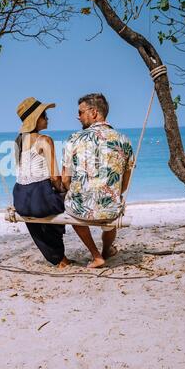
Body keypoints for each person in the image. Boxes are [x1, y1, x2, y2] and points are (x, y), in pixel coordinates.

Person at [62, 93, 134, 268]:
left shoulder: (73, 139)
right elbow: (125, 183)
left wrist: (75, 191)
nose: (77, 116)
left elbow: (65, 179)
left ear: (93, 112)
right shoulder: (124, 140)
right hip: (110, 209)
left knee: (71, 207)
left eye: (80, 112)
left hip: (80, 210)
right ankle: (107, 250)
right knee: (113, 205)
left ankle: (96, 255)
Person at [13, 97, 71, 268]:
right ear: (36, 119)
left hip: (20, 199)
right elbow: (54, 177)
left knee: (38, 216)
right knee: (65, 201)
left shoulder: (18, 142)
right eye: (44, 115)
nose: (47, 118)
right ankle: (60, 258)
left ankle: (59, 258)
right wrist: (64, 190)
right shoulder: (44, 140)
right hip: (39, 198)